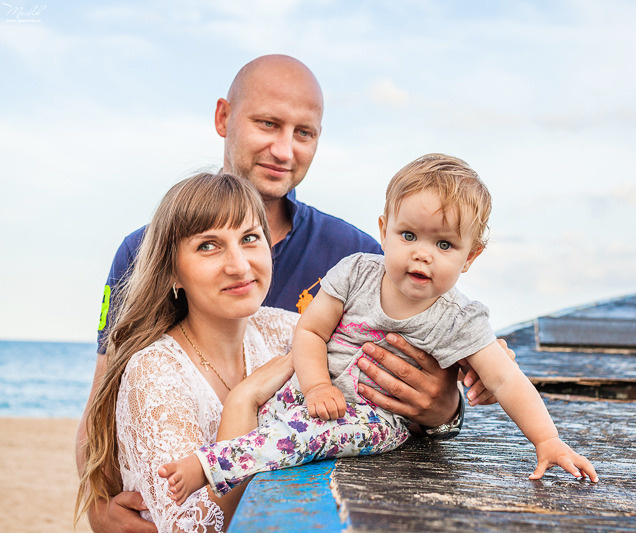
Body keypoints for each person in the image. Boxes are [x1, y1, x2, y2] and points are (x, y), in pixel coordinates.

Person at [78, 55, 511, 532]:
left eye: (304, 133)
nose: (284, 149)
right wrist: (96, 504)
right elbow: (105, 398)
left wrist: (450, 405)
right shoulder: (141, 252)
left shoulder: (358, 258)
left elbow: (439, 350)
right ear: (224, 117)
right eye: (267, 123)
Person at [158, 154, 598, 505]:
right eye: (409, 236)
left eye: (444, 244)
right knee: (274, 417)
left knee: (308, 437)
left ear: (471, 257)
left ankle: (209, 466)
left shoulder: (461, 319)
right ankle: (240, 492)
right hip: (318, 385)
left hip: (377, 416)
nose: (422, 254)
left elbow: (506, 379)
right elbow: (310, 333)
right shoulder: (356, 273)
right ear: (385, 231)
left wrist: (548, 440)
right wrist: (314, 387)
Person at [76, 172, 410, 532]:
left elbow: (385, 374)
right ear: (172, 271)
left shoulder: (285, 330)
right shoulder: (154, 373)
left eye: (249, 238)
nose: (238, 265)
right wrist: (242, 401)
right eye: (208, 245)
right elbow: (193, 527)